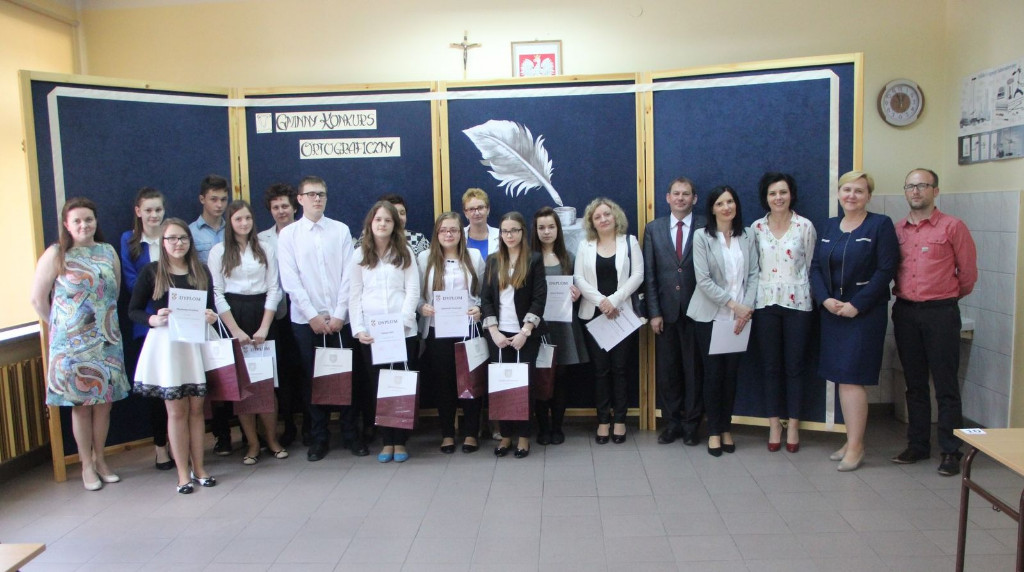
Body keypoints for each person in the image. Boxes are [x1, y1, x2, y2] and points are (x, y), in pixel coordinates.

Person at [30, 198, 131, 491]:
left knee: (104, 404)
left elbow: (114, 292)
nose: (84, 225)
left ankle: (101, 460)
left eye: (89, 219)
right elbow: (37, 299)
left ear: (96, 221)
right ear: (66, 224)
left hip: (107, 340)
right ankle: (86, 464)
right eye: (77, 221)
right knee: (82, 406)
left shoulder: (107, 251)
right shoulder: (56, 253)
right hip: (72, 346)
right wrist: (61, 327)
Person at [810, 170, 899, 472]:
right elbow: (815, 268)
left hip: (864, 315)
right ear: (838, 193)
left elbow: (886, 270)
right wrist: (825, 299)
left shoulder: (880, 225)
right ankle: (851, 440)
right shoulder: (829, 225)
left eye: (859, 191)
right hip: (833, 312)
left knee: (852, 378)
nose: (852, 195)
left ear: (868, 196)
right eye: (847, 190)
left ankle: (857, 446)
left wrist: (857, 305)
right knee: (841, 377)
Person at [890, 168, 977, 476]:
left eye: (923, 185)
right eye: (910, 186)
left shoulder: (953, 227)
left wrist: (944, 297)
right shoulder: (897, 230)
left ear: (935, 191)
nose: (916, 191)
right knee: (914, 383)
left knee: (945, 383)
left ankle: (951, 451)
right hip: (905, 312)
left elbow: (968, 275)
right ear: (905, 191)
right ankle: (917, 445)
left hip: (941, 312)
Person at [277, 176, 366, 461]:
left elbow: (349, 276)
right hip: (306, 322)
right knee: (313, 379)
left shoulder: (340, 230)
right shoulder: (288, 235)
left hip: (341, 319)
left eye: (322, 194)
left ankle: (351, 434)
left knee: (346, 377)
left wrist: (339, 314)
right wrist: (313, 316)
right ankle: (319, 437)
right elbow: (291, 282)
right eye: (312, 194)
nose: (317, 199)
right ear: (299, 199)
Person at [129, 218, 219, 494]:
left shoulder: (201, 270)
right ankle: (182, 474)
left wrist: (211, 316)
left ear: (190, 241)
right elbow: (133, 310)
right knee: (177, 411)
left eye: (183, 238)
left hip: (194, 345)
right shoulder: (152, 271)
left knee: (197, 410)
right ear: (163, 242)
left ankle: (199, 468)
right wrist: (153, 319)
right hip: (168, 347)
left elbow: (212, 309)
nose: (178, 243)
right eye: (172, 238)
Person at [208, 200, 288, 465]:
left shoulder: (265, 248)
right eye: (238, 219)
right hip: (234, 316)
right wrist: (236, 331)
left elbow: (274, 288)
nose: (244, 223)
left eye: (247, 218)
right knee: (243, 385)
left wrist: (264, 327)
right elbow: (217, 293)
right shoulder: (219, 251)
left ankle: (272, 439)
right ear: (230, 223)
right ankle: (252, 443)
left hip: (263, 314)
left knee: (266, 384)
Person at [687, 185, 758, 457]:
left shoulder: (748, 235)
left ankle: (726, 428)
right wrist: (734, 305)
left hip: (740, 319)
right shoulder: (702, 237)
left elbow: (754, 274)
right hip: (711, 317)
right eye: (720, 203)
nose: (726, 207)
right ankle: (714, 431)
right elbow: (703, 280)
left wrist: (746, 309)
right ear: (712, 209)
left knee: (731, 376)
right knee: (713, 375)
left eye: (730, 201)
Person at [350, 201, 421, 463]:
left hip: (403, 332)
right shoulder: (359, 254)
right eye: (378, 219)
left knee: (400, 384)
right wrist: (359, 328)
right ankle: (386, 440)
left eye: (388, 220)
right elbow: (354, 295)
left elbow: (413, 290)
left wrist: (403, 321)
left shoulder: (405, 251)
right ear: (371, 223)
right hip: (373, 334)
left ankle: (400, 440)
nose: (382, 224)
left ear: (395, 225)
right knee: (378, 387)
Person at [750, 173, 816, 453]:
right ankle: (774, 424)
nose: (778, 198)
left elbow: (811, 265)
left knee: (795, 367)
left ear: (791, 195)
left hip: (798, 305)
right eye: (773, 193)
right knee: (770, 367)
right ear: (765, 197)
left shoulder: (804, 226)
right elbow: (753, 268)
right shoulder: (756, 228)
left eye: (783, 192)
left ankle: (794, 426)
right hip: (765, 304)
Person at [574, 198, 644, 445]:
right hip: (594, 315)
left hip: (622, 314)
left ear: (616, 216)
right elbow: (579, 278)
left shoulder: (630, 242)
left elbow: (638, 275)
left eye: (607, 214)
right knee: (601, 371)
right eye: (597, 216)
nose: (603, 219)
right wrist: (601, 302)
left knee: (621, 369)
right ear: (591, 222)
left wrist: (613, 300)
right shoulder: (585, 245)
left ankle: (620, 420)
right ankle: (603, 420)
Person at [643, 176, 705, 447]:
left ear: (694, 198)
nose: (681, 198)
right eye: (676, 194)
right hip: (665, 313)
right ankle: (672, 423)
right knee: (668, 372)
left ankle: (692, 425)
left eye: (686, 194)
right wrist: (654, 312)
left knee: (694, 371)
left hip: (698, 311)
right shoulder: (653, 229)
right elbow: (650, 274)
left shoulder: (705, 225)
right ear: (667, 198)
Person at [418, 212, 485, 454]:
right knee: (443, 383)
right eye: (444, 230)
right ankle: (447, 433)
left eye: (454, 230)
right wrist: (422, 307)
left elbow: (484, 292)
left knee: (471, 382)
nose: (448, 234)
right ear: (437, 233)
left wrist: (479, 308)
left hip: (468, 329)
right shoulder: (424, 258)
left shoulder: (474, 256)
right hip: (437, 330)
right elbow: (416, 294)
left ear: (461, 233)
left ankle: (470, 432)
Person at [480, 212, 546, 458]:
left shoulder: (534, 259)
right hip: (498, 334)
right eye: (505, 231)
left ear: (522, 232)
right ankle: (506, 435)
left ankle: (524, 437)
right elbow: (486, 299)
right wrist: (493, 331)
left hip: (525, 334)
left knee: (524, 386)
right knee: (502, 386)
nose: (509, 235)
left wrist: (525, 332)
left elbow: (539, 298)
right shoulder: (493, 260)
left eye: (514, 230)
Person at [119, 187, 172, 470]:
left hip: (176, 321)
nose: (154, 215)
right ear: (138, 211)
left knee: (178, 387)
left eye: (158, 210)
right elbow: (131, 283)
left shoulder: (172, 236)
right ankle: (160, 447)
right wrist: (156, 310)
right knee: (156, 391)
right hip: (147, 324)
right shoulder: (128, 241)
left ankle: (181, 444)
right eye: (148, 210)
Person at [532, 206, 588, 445]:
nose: (546, 232)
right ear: (535, 230)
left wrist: (577, 294)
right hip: (537, 326)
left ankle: (557, 427)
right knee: (541, 376)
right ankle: (543, 428)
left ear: (558, 229)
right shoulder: (528, 258)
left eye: (551, 227)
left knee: (561, 378)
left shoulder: (569, 258)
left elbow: (581, 288)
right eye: (541, 227)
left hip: (564, 326)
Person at [188, 174, 233, 456]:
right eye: (213, 199)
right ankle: (221, 433)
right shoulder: (190, 233)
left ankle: (244, 430)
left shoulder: (234, 228)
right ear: (202, 199)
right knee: (210, 374)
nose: (219, 205)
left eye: (223, 200)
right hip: (203, 309)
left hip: (231, 307)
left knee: (231, 371)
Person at [257, 183, 304, 447]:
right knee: (282, 374)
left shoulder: (305, 233)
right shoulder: (261, 239)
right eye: (275, 207)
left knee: (305, 370)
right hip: (276, 315)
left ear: (294, 207)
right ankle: (287, 425)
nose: (281, 211)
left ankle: (309, 424)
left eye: (285, 206)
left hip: (304, 311)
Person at [355, 193, 431, 257]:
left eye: (402, 213)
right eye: (394, 213)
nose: (399, 217)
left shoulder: (418, 239)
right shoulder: (367, 236)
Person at [463, 188, 500, 260]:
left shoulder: (501, 236)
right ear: (465, 213)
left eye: (480, 208)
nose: (477, 213)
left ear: (488, 210)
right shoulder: (458, 236)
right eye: (471, 209)